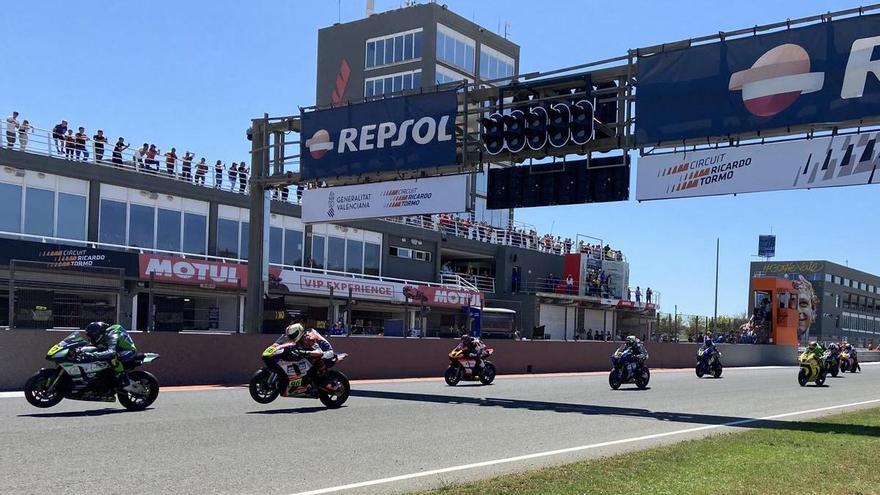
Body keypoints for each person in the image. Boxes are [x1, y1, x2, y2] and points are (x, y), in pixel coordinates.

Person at [77, 321, 138, 391]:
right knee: (100, 352)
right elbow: (93, 346)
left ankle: (123, 380)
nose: (90, 338)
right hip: (117, 349)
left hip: (128, 351)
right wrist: (80, 350)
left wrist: (92, 355)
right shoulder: (104, 334)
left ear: (97, 334)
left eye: (91, 336)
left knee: (113, 357)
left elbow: (111, 352)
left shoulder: (112, 335)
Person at [282, 323, 335, 395]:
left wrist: (306, 352)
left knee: (315, 360)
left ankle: (326, 382)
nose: (291, 337)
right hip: (311, 350)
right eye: (290, 336)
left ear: (299, 332)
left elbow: (319, 352)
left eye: (293, 335)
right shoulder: (299, 338)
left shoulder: (309, 338)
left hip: (326, 351)